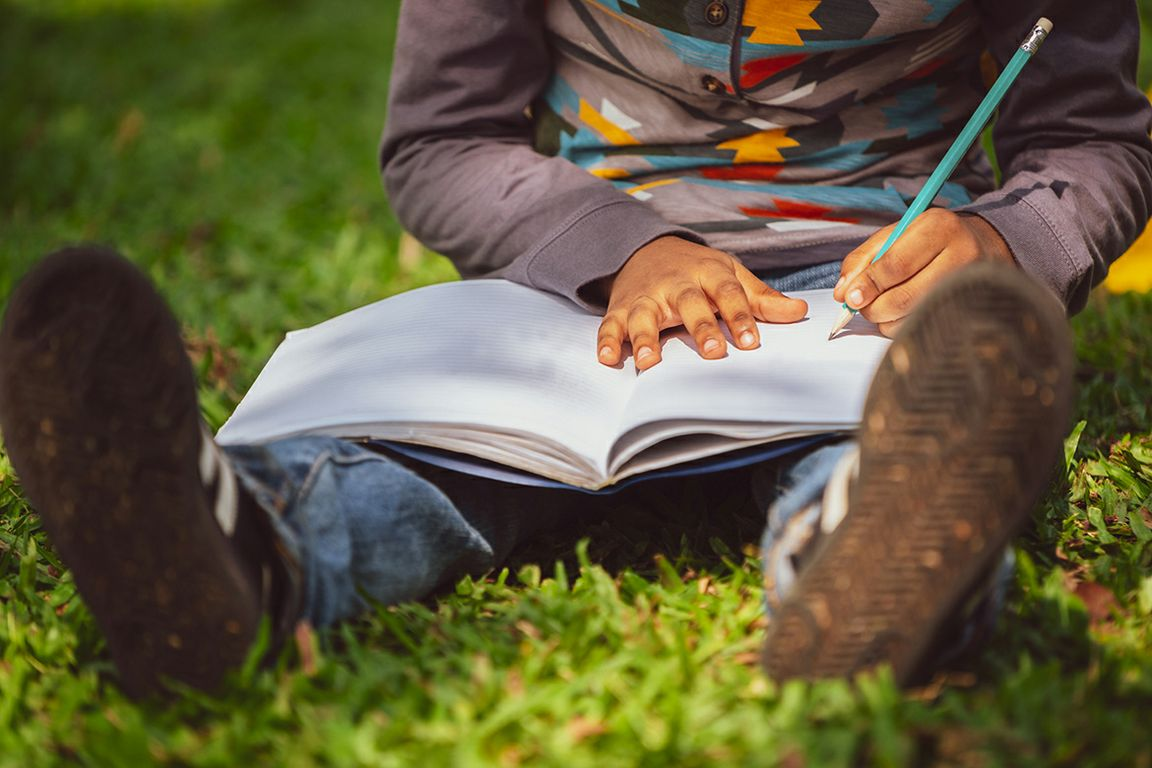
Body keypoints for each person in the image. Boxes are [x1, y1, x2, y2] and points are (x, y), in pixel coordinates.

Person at [0, 0, 1149, 698]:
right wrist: (621, 249)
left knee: (903, 421)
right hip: (581, 279)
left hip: (873, 283)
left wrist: (1005, 242)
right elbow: (443, 139)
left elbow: (1094, 139)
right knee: (434, 440)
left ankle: (867, 567)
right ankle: (240, 555)